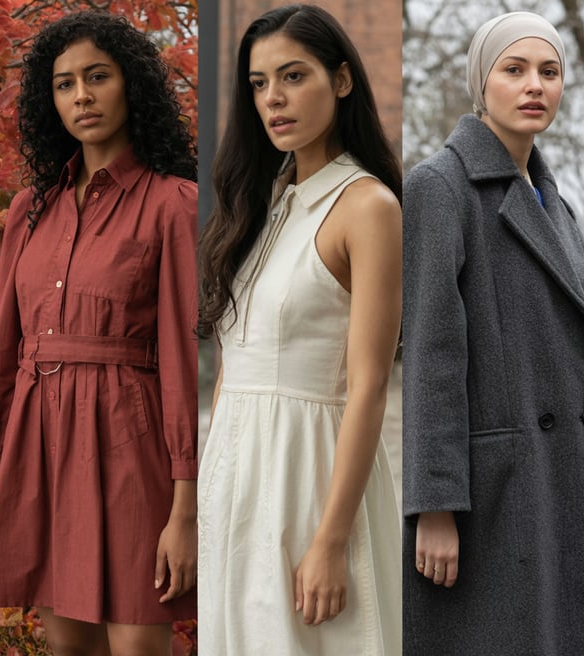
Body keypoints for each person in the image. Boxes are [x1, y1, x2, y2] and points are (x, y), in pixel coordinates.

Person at [196, 4, 402, 654]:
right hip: (235, 483)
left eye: (292, 76)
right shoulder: (260, 208)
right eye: (259, 83)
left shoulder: (368, 206)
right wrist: (208, 494)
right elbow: (231, 367)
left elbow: (369, 386)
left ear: (341, 80)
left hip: (312, 481)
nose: (273, 99)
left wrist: (331, 540)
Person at [0, 11, 197, 656]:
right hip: (39, 443)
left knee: (137, 644)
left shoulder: (174, 203)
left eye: (97, 77)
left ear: (131, 83)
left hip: (130, 443)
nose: (81, 95)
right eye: (64, 84)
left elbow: (186, 361)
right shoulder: (29, 210)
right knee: (67, 646)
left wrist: (185, 509)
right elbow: (2, 352)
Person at [402, 11, 584, 654]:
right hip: (494, 489)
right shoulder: (439, 186)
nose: (534, 85)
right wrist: (434, 505)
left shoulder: (556, 201)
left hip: (562, 478)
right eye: (514, 70)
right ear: (481, 83)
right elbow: (432, 353)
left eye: (549, 71)